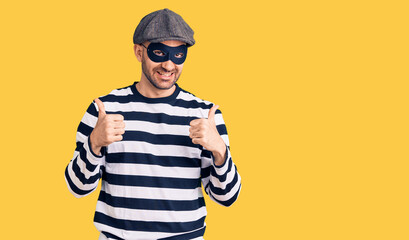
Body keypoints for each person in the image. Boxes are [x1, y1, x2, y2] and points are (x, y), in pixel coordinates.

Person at [64, 8, 241, 240]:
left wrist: (219, 150)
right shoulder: (104, 110)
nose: (168, 65)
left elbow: (226, 197)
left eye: (178, 55)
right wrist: (94, 143)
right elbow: (77, 188)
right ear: (139, 52)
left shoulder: (205, 114)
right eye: (159, 53)